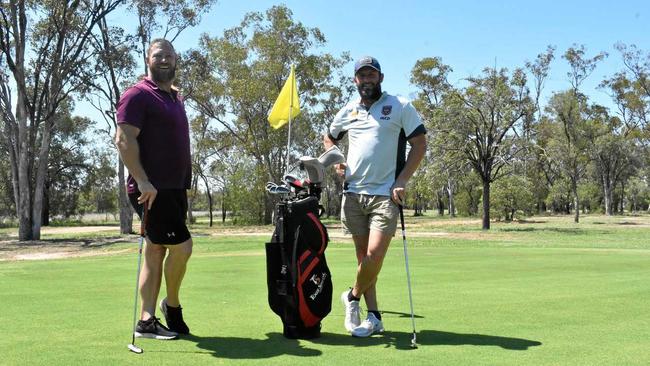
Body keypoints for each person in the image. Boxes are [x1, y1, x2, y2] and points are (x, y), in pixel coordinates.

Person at [323, 56, 426, 337]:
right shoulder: (349, 110)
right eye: (362, 76)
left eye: (372, 75)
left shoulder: (400, 106)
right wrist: (336, 161)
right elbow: (330, 137)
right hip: (354, 193)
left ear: (380, 78)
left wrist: (402, 179)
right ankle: (375, 316)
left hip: (385, 195)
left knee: (374, 256)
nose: (367, 80)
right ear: (355, 80)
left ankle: (352, 297)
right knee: (362, 259)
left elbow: (419, 144)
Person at [115, 38, 193, 339]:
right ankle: (171, 306)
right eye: (158, 55)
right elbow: (123, 140)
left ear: (176, 61)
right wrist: (142, 179)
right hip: (151, 189)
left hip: (173, 188)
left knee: (156, 250)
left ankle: (147, 320)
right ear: (148, 60)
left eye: (169, 56)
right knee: (182, 247)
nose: (164, 60)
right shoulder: (137, 95)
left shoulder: (174, 97)